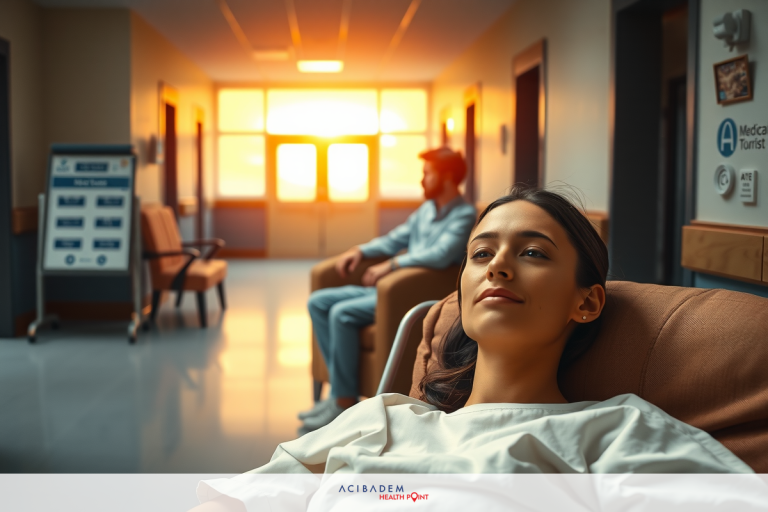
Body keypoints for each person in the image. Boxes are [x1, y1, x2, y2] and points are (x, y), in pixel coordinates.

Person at [190, 186, 751, 512]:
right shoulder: (381, 418)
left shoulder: (616, 435)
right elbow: (230, 501)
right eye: (481, 254)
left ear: (587, 303)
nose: (499, 265)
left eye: (533, 253)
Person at [300, 146, 477, 432]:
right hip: (388, 291)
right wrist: (361, 250)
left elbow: (441, 254)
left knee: (342, 314)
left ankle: (343, 401)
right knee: (319, 302)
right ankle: (338, 391)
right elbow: (394, 239)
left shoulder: (464, 215)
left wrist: (391, 265)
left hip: (409, 294)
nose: (422, 180)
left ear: (445, 178)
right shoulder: (426, 210)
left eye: (427, 174)